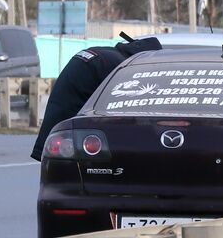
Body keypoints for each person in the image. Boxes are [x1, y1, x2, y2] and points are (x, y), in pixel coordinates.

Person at [30, 34, 162, 160]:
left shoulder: (104, 54)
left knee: (56, 153)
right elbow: (123, 107)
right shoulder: (121, 65)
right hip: (78, 110)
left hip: (65, 102)